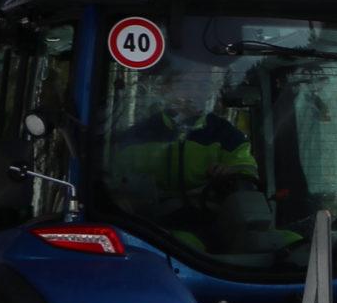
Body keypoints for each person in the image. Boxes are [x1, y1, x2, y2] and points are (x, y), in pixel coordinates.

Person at [107, 55, 264, 243]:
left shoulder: (227, 136)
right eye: (187, 85)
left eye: (202, 86)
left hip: (216, 224)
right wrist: (118, 196)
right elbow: (112, 180)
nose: (195, 93)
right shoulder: (138, 135)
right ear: (166, 89)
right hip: (150, 229)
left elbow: (248, 172)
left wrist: (232, 173)